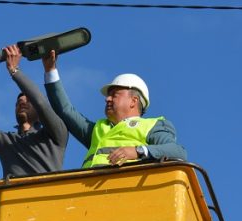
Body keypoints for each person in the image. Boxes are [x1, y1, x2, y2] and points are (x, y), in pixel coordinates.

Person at [42, 51, 186, 168]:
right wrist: (50, 70)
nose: (107, 99)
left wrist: (138, 151)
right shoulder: (98, 129)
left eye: (114, 95)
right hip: (87, 196)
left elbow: (178, 152)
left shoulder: (153, 125)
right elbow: (65, 110)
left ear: (133, 101)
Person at [0, 44, 68, 177]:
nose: (22, 102)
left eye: (28, 101)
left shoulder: (57, 134)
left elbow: (41, 102)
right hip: (16, 196)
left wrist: (15, 70)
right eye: (18, 102)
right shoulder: (5, 142)